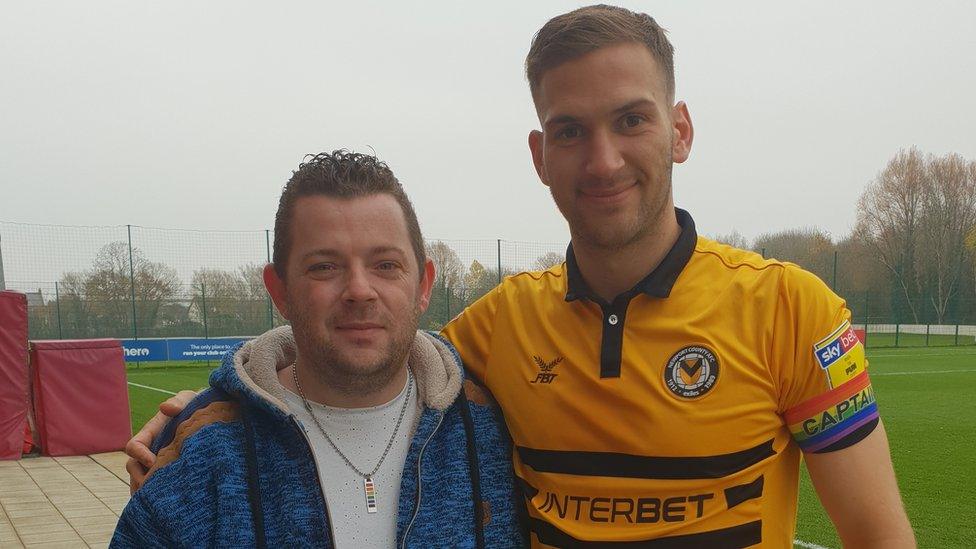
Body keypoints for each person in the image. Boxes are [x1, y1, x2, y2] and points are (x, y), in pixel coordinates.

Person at [126, 5, 916, 547]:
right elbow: (368, 338)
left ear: (679, 130)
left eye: (631, 119)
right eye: (570, 130)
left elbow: (881, 536)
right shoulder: (499, 328)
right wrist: (215, 404)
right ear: (540, 157)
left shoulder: (793, 309)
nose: (602, 159)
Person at [112, 151, 524, 548]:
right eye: (324, 266)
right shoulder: (199, 454)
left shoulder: (499, 428)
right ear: (280, 291)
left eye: (385, 265)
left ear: (423, 285)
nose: (360, 291)